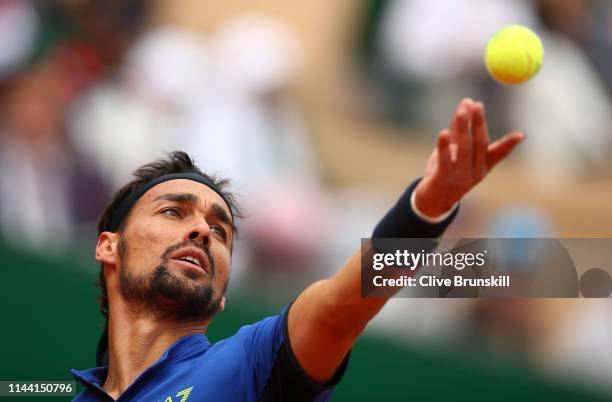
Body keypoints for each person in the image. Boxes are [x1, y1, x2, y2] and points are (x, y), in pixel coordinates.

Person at [71, 98, 524, 401]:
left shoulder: (250, 363)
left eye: (221, 230)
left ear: (223, 292)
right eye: (173, 212)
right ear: (109, 246)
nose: (203, 232)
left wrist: (427, 209)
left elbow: (345, 304)